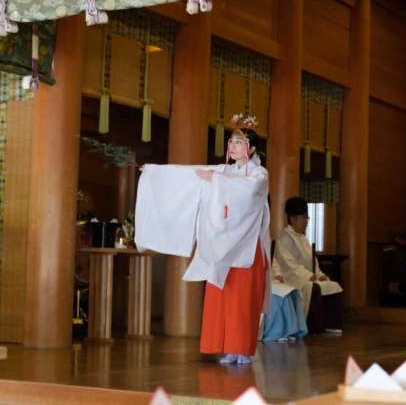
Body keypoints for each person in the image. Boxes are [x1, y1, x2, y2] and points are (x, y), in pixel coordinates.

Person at [135, 113, 271, 364]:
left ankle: (242, 349)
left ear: (250, 149)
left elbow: (247, 194)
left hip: (246, 246)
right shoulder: (223, 170)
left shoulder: (259, 175)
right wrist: (156, 172)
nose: (232, 146)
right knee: (222, 295)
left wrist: (217, 181)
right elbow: (189, 174)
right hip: (222, 246)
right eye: (231, 141)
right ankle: (226, 347)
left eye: (238, 143)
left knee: (242, 300)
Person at [273, 197, 344, 334]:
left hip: (308, 277)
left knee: (333, 285)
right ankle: (314, 326)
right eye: (303, 218)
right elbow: (289, 266)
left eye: (307, 218)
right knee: (314, 288)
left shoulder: (303, 238)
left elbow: (313, 262)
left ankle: (331, 325)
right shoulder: (284, 239)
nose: (306, 222)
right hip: (293, 279)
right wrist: (310, 276)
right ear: (293, 219)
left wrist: (319, 274)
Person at [260, 259, 308, 342]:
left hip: (270, 280)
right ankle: (277, 332)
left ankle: (290, 331)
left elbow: (271, 260)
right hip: (256, 281)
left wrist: (278, 274)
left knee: (289, 293)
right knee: (277, 295)